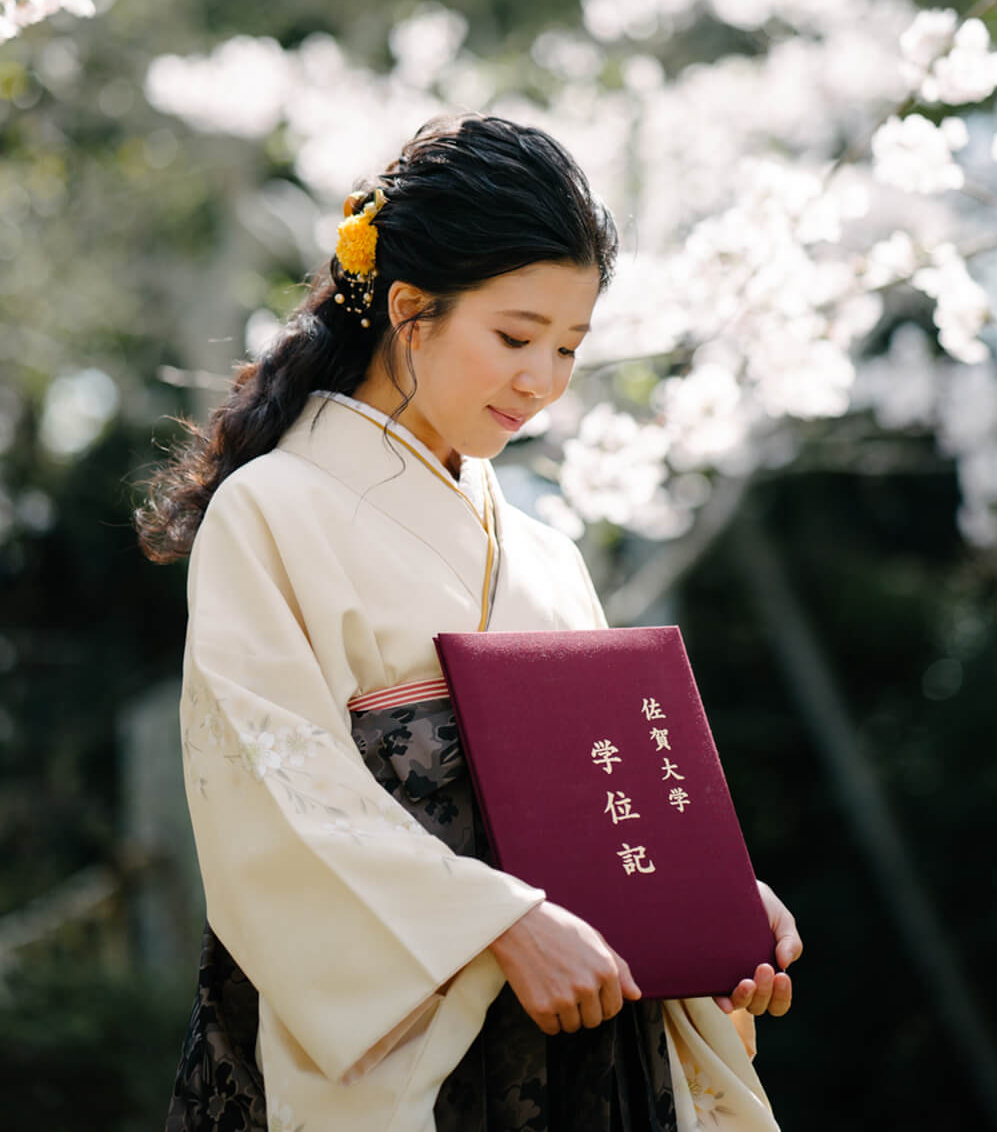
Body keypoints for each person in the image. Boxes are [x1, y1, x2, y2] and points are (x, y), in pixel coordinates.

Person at [135, 112, 803, 1132]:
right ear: (410, 308)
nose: (541, 381)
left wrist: (705, 906)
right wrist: (499, 922)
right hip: (415, 1056)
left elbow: (605, 796)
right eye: (514, 335)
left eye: (568, 346)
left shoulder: (545, 553)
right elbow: (276, 806)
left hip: (594, 1048)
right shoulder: (272, 509)